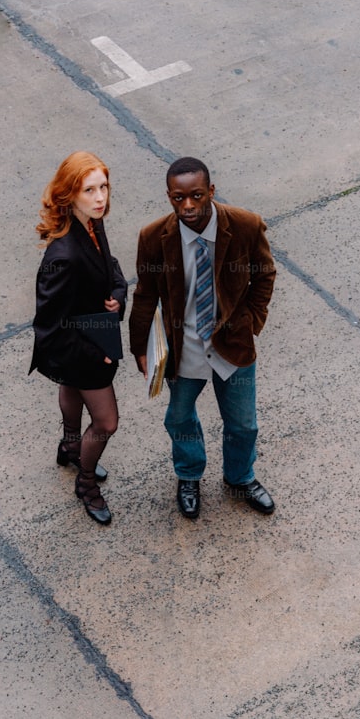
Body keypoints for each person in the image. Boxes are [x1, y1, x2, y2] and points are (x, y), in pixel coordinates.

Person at [128, 157, 277, 519]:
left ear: (211, 190)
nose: (188, 205)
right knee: (179, 419)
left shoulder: (244, 225)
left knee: (243, 423)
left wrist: (251, 322)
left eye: (196, 195)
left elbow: (265, 274)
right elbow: (146, 294)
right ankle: (189, 475)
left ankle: (240, 477)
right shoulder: (153, 238)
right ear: (169, 197)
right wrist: (139, 348)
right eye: (179, 198)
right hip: (184, 346)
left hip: (232, 343)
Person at [30, 151, 127, 525]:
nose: (100, 197)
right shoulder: (64, 255)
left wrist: (118, 293)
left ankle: (71, 445)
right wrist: (96, 354)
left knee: (71, 391)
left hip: (89, 337)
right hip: (81, 349)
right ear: (69, 194)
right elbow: (49, 325)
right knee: (106, 423)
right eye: (89, 190)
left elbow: (110, 267)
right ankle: (86, 483)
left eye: (103, 187)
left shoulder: (90, 223)